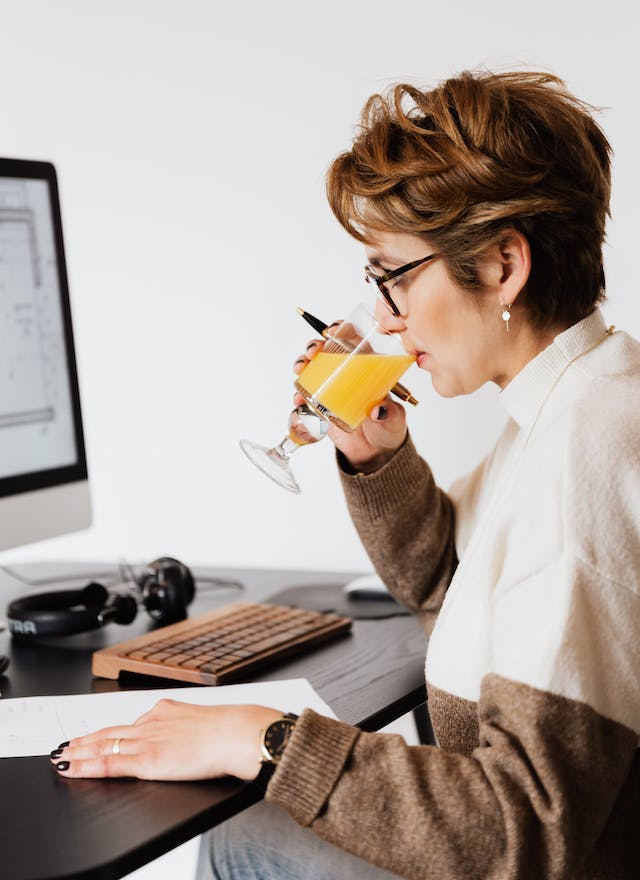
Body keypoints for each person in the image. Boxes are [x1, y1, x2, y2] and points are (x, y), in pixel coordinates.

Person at [50, 70, 640, 880]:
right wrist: (377, 455)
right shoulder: (583, 399)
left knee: (241, 838)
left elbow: (521, 827)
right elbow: (451, 586)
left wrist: (260, 738)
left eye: (393, 274)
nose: (385, 317)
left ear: (504, 267)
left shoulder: (585, 456)